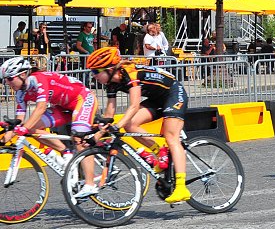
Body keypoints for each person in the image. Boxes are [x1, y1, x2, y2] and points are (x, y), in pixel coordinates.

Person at [86, 46, 192, 203]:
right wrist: (96, 135)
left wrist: (117, 125)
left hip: (174, 93)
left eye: (95, 72)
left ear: (108, 69)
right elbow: (110, 114)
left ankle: (182, 187)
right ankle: (159, 151)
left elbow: (134, 105)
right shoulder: (111, 83)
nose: (93, 76)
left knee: (171, 137)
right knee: (131, 125)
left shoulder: (130, 73)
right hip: (157, 99)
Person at [1, 56, 101, 197]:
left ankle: (90, 184)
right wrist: (6, 137)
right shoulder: (20, 93)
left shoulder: (38, 79)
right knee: (30, 129)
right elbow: (19, 120)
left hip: (82, 99)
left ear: (22, 74)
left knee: (79, 139)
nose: (7, 82)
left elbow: (41, 108)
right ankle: (65, 152)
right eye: (5, 79)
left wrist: (22, 129)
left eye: (10, 78)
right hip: (62, 107)